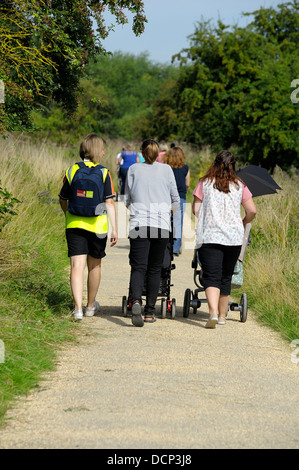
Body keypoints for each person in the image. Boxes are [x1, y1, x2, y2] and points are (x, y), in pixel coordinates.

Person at [192, 150, 256, 328]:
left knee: (211, 275)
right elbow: (252, 211)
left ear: (215, 163)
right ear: (233, 166)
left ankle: (211, 312)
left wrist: (208, 217)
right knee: (226, 276)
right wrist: (242, 222)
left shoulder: (204, 183)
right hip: (234, 238)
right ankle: (222, 316)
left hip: (210, 236)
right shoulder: (240, 185)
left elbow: (196, 210)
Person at [59, 133, 118, 321]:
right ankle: (90, 306)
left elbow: (63, 198)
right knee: (94, 265)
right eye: (102, 150)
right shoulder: (104, 172)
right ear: (97, 152)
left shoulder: (71, 170)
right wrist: (114, 229)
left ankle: (77, 309)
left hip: (74, 223)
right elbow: (110, 203)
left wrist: (67, 213)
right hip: (97, 226)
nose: (103, 153)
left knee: (77, 266)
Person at [125, 139, 180, 327]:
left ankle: (136, 302)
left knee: (138, 266)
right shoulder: (166, 170)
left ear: (142, 153)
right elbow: (175, 200)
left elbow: (127, 198)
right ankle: (149, 312)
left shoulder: (133, 169)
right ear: (158, 154)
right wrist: (167, 214)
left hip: (139, 224)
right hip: (161, 225)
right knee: (155, 268)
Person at [163, 146, 190, 255]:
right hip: (180, 197)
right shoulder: (185, 168)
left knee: (166, 221)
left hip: (167, 197)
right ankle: (176, 248)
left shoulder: (166, 168)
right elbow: (187, 183)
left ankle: (165, 246)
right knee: (178, 223)